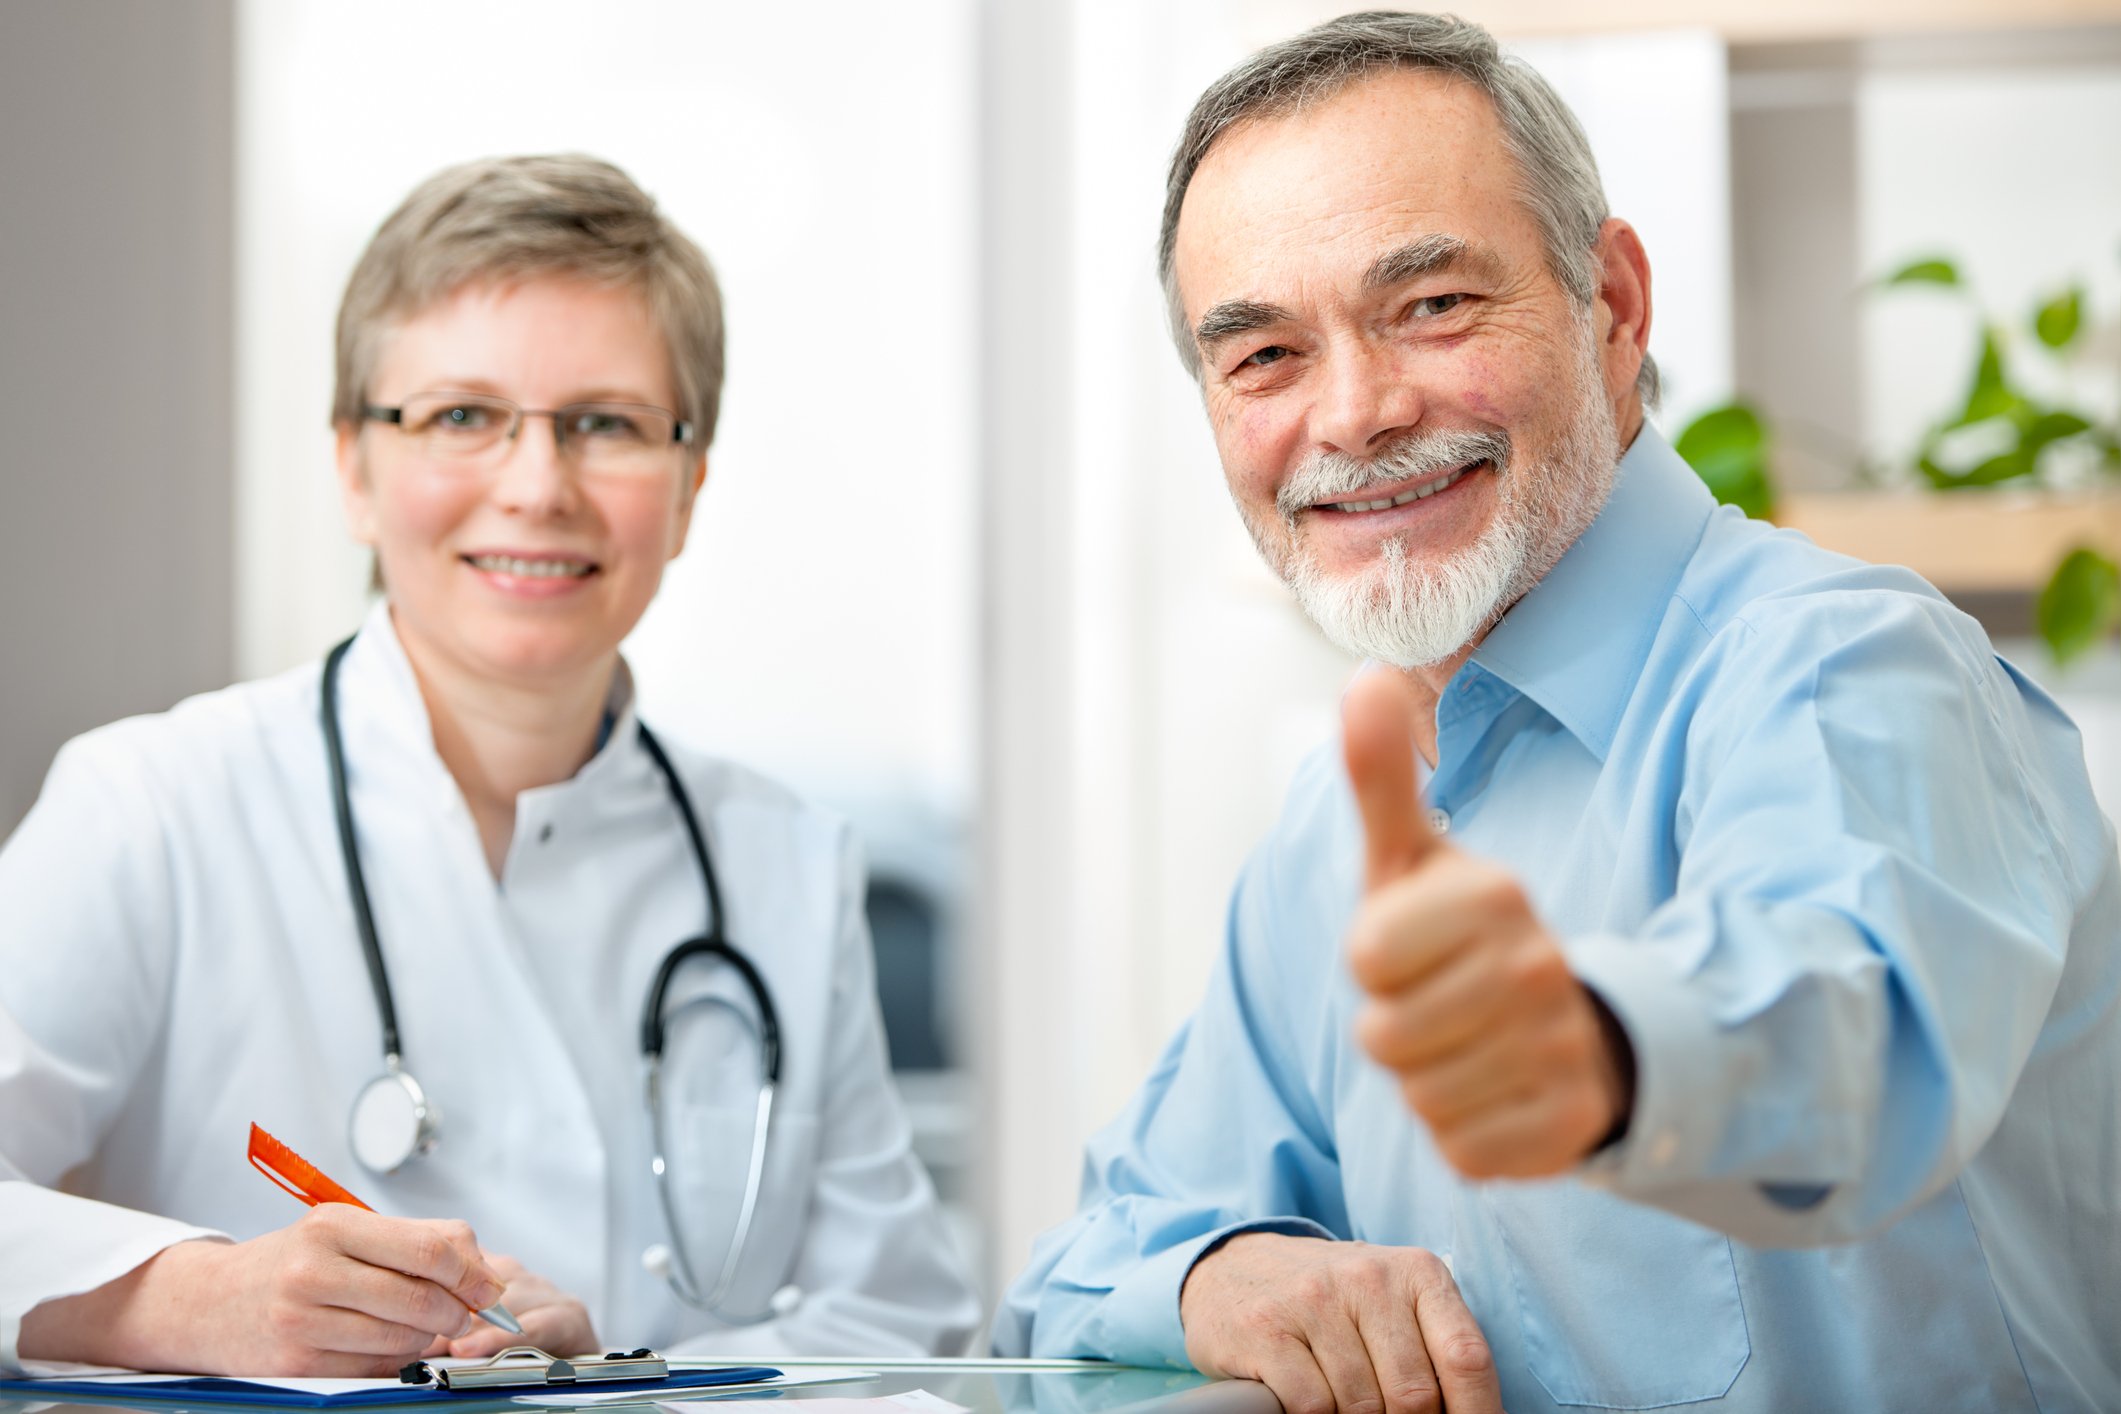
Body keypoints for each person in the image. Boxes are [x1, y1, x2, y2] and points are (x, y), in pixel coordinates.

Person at [996, 12, 2120, 1412]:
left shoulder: (1845, 666)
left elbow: (1845, 1034)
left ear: (1613, 307)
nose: (1353, 413)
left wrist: (1594, 1048)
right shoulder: (1334, 836)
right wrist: (1220, 1276)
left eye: (1433, 305)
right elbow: (1075, 1272)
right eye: (1265, 355)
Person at [0, 154, 978, 1376]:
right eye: (462, 416)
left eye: (606, 424)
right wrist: (195, 1299)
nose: (536, 485)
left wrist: (620, 1374)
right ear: (354, 467)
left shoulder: (783, 858)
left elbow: (896, 1324)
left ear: (686, 490)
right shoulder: (153, 805)